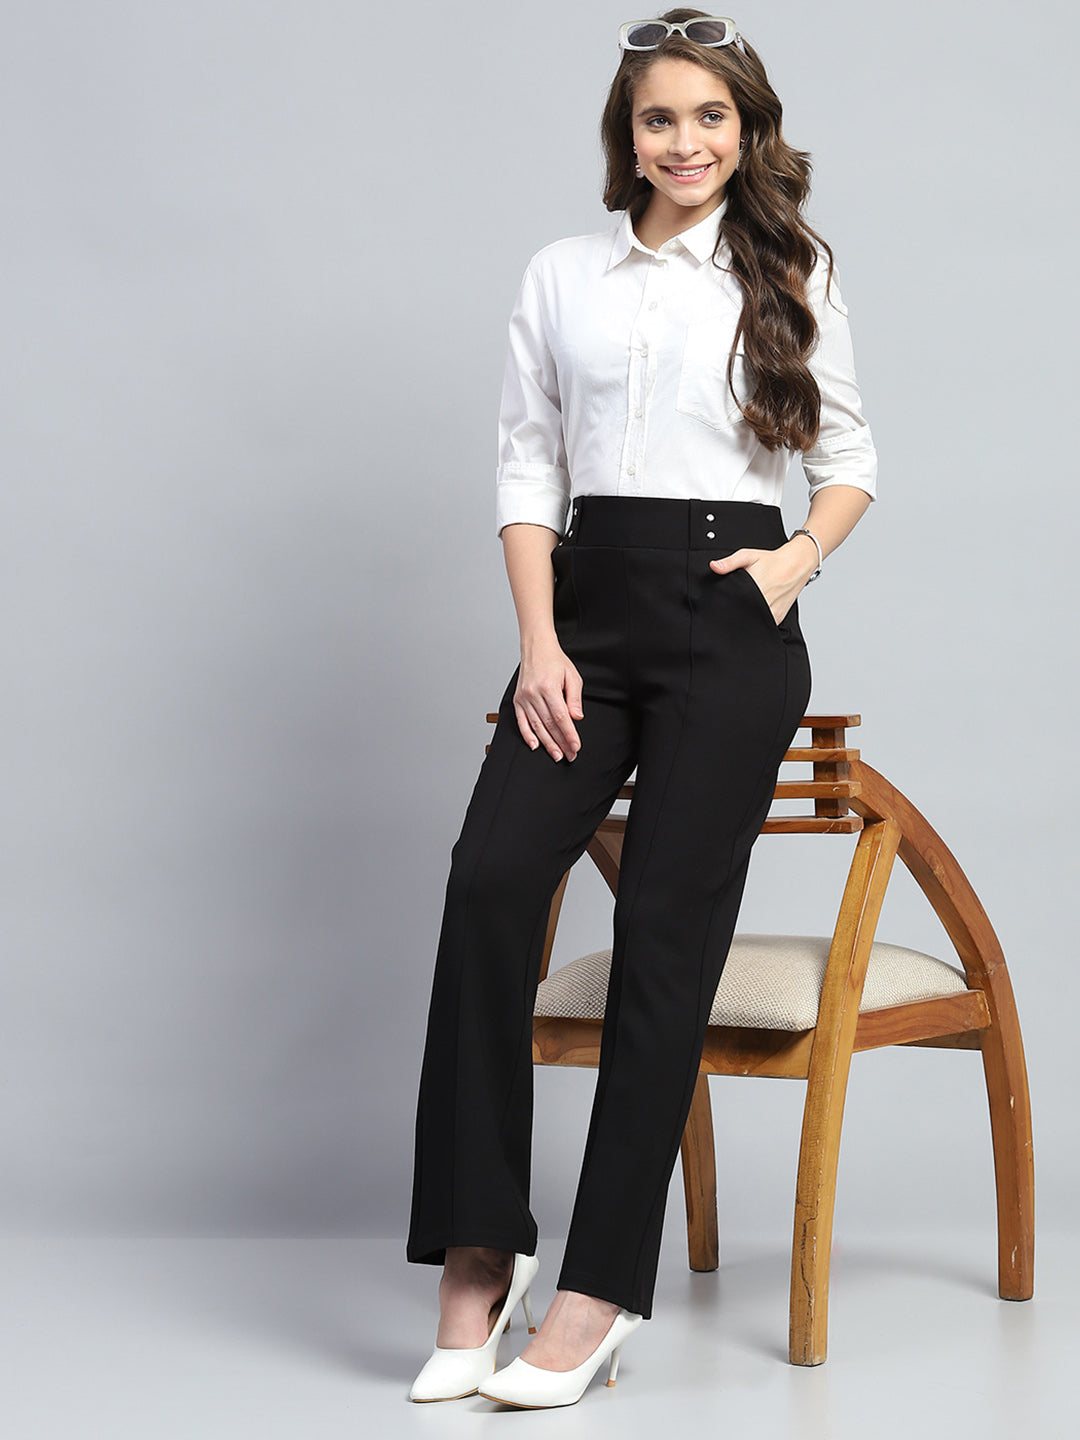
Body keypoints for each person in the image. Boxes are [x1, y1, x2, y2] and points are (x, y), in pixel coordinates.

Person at [406, 9, 877, 1409]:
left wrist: (792, 564)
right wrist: (538, 643)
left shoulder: (793, 268)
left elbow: (850, 458)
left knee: (668, 936)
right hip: (585, 617)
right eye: (659, 118)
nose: (685, 142)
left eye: (709, 117)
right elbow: (525, 466)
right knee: (490, 883)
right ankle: (479, 1248)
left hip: (729, 622)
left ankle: (598, 1292)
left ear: (747, 129)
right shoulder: (564, 274)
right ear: (627, 134)